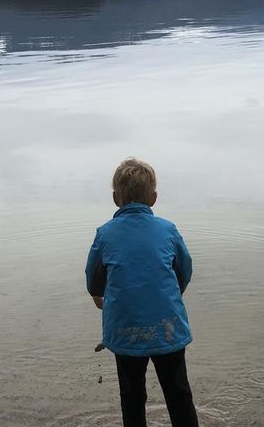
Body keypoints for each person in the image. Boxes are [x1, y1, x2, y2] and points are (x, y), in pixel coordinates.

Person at [85, 157, 198, 427]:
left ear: (115, 199)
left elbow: (93, 281)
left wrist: (101, 297)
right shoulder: (168, 230)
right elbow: (185, 270)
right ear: (154, 198)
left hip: (125, 332)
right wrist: (171, 294)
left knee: (132, 396)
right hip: (167, 327)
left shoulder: (105, 234)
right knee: (178, 393)